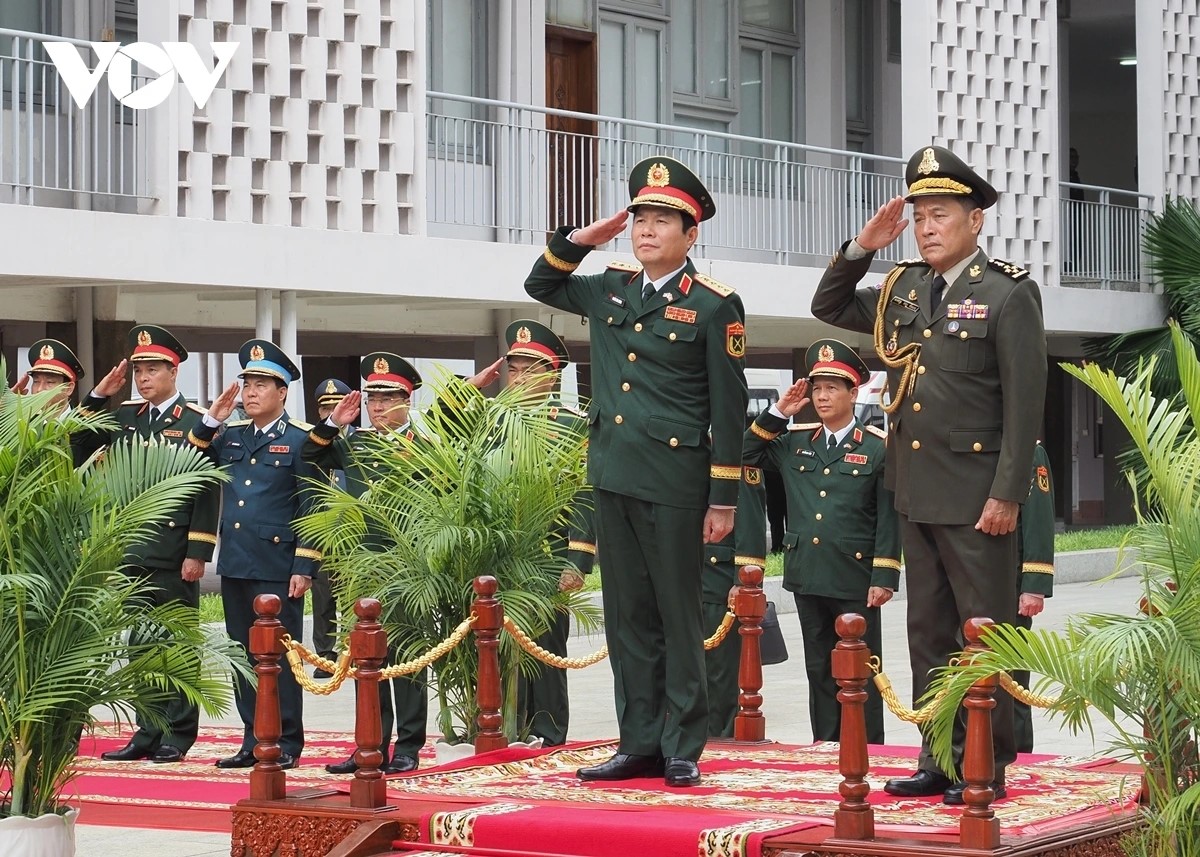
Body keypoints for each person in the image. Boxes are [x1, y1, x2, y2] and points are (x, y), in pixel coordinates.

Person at [811, 144, 1047, 803]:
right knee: (930, 634)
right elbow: (829, 304)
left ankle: (988, 760)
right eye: (918, 217)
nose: (926, 227)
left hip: (977, 497)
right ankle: (939, 756)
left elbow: (1025, 406)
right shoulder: (904, 288)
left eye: (939, 214)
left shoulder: (1007, 292)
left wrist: (1007, 493)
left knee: (985, 631)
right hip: (916, 490)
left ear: (975, 219)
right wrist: (862, 247)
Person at [524, 155, 749, 787]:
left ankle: (682, 744)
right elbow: (541, 285)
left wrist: (723, 498)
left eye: (662, 220)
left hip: (676, 481)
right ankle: (638, 742)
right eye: (640, 219)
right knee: (627, 618)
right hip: (613, 474)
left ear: (690, 233)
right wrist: (581, 239)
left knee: (678, 615)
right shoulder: (609, 287)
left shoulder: (713, 306)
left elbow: (728, 409)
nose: (646, 230)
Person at [69, 326, 219, 764]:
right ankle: (147, 730)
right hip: (132, 548)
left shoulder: (196, 421)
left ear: (174, 372)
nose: (143, 378)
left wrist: (198, 551)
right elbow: (77, 443)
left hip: (173, 550)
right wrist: (98, 396)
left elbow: (207, 487)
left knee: (175, 642)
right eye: (139, 371)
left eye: (152, 370)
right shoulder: (125, 416)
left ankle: (178, 732)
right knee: (140, 644)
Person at [742, 339, 900, 744]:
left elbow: (889, 517)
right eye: (817, 389)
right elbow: (745, 452)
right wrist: (779, 413)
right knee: (819, 667)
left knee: (860, 668)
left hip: (854, 577)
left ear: (853, 393)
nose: (822, 396)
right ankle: (826, 746)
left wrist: (884, 576)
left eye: (832, 388)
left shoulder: (877, 448)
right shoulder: (795, 442)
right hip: (808, 574)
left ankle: (867, 747)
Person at [460, 320, 598, 745]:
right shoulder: (492, 420)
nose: (518, 378)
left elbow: (584, 494)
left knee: (545, 648)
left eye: (529, 370)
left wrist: (578, 559)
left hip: (547, 556)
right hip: (498, 554)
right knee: (497, 646)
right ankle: (506, 728)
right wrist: (467, 391)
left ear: (552, 376)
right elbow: (443, 435)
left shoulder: (573, 425)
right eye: (514, 369)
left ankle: (549, 734)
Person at [188, 339, 321, 770]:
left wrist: (305, 565)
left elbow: (312, 504)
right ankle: (253, 738)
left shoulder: (300, 439)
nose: (250, 392)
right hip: (238, 562)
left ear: (282, 392)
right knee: (244, 655)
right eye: (247, 384)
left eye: (261, 384)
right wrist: (212, 419)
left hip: (278, 566)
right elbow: (189, 460)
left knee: (280, 655)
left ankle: (286, 741)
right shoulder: (231, 436)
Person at [303, 353, 428, 775]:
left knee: (405, 660)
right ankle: (369, 743)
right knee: (365, 661)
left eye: (387, 398)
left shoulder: (425, 447)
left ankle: (408, 746)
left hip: (408, 569)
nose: (377, 407)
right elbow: (309, 455)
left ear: (407, 400)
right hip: (362, 566)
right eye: (372, 399)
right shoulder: (355, 444)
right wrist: (332, 423)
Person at [702, 465, 766, 739]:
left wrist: (743, 580)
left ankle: (720, 738)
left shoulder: (735, 462)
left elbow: (750, 518)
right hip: (681, 576)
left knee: (719, 674)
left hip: (718, 580)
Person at [310, 377, 354, 678]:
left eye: (336, 407)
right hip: (323, 532)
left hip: (354, 533)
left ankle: (353, 651)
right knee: (323, 597)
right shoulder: (313, 443)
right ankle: (325, 656)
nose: (331, 413)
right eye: (326, 409)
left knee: (353, 597)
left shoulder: (360, 441)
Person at [1014, 441, 1054, 753]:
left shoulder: (1029, 449)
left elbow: (1038, 516)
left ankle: (1017, 750)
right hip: (972, 575)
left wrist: (1034, 585)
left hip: (1012, 580)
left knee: (1012, 676)